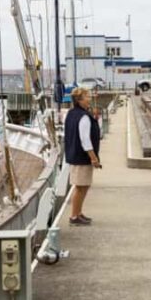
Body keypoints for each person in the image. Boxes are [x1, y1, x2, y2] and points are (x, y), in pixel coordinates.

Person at [64, 87, 102, 225]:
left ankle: (78, 213)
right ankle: (74, 216)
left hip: (74, 155)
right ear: (79, 100)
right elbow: (85, 139)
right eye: (87, 96)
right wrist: (93, 157)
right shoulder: (83, 116)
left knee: (83, 186)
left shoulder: (71, 113)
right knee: (80, 187)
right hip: (82, 157)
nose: (90, 99)